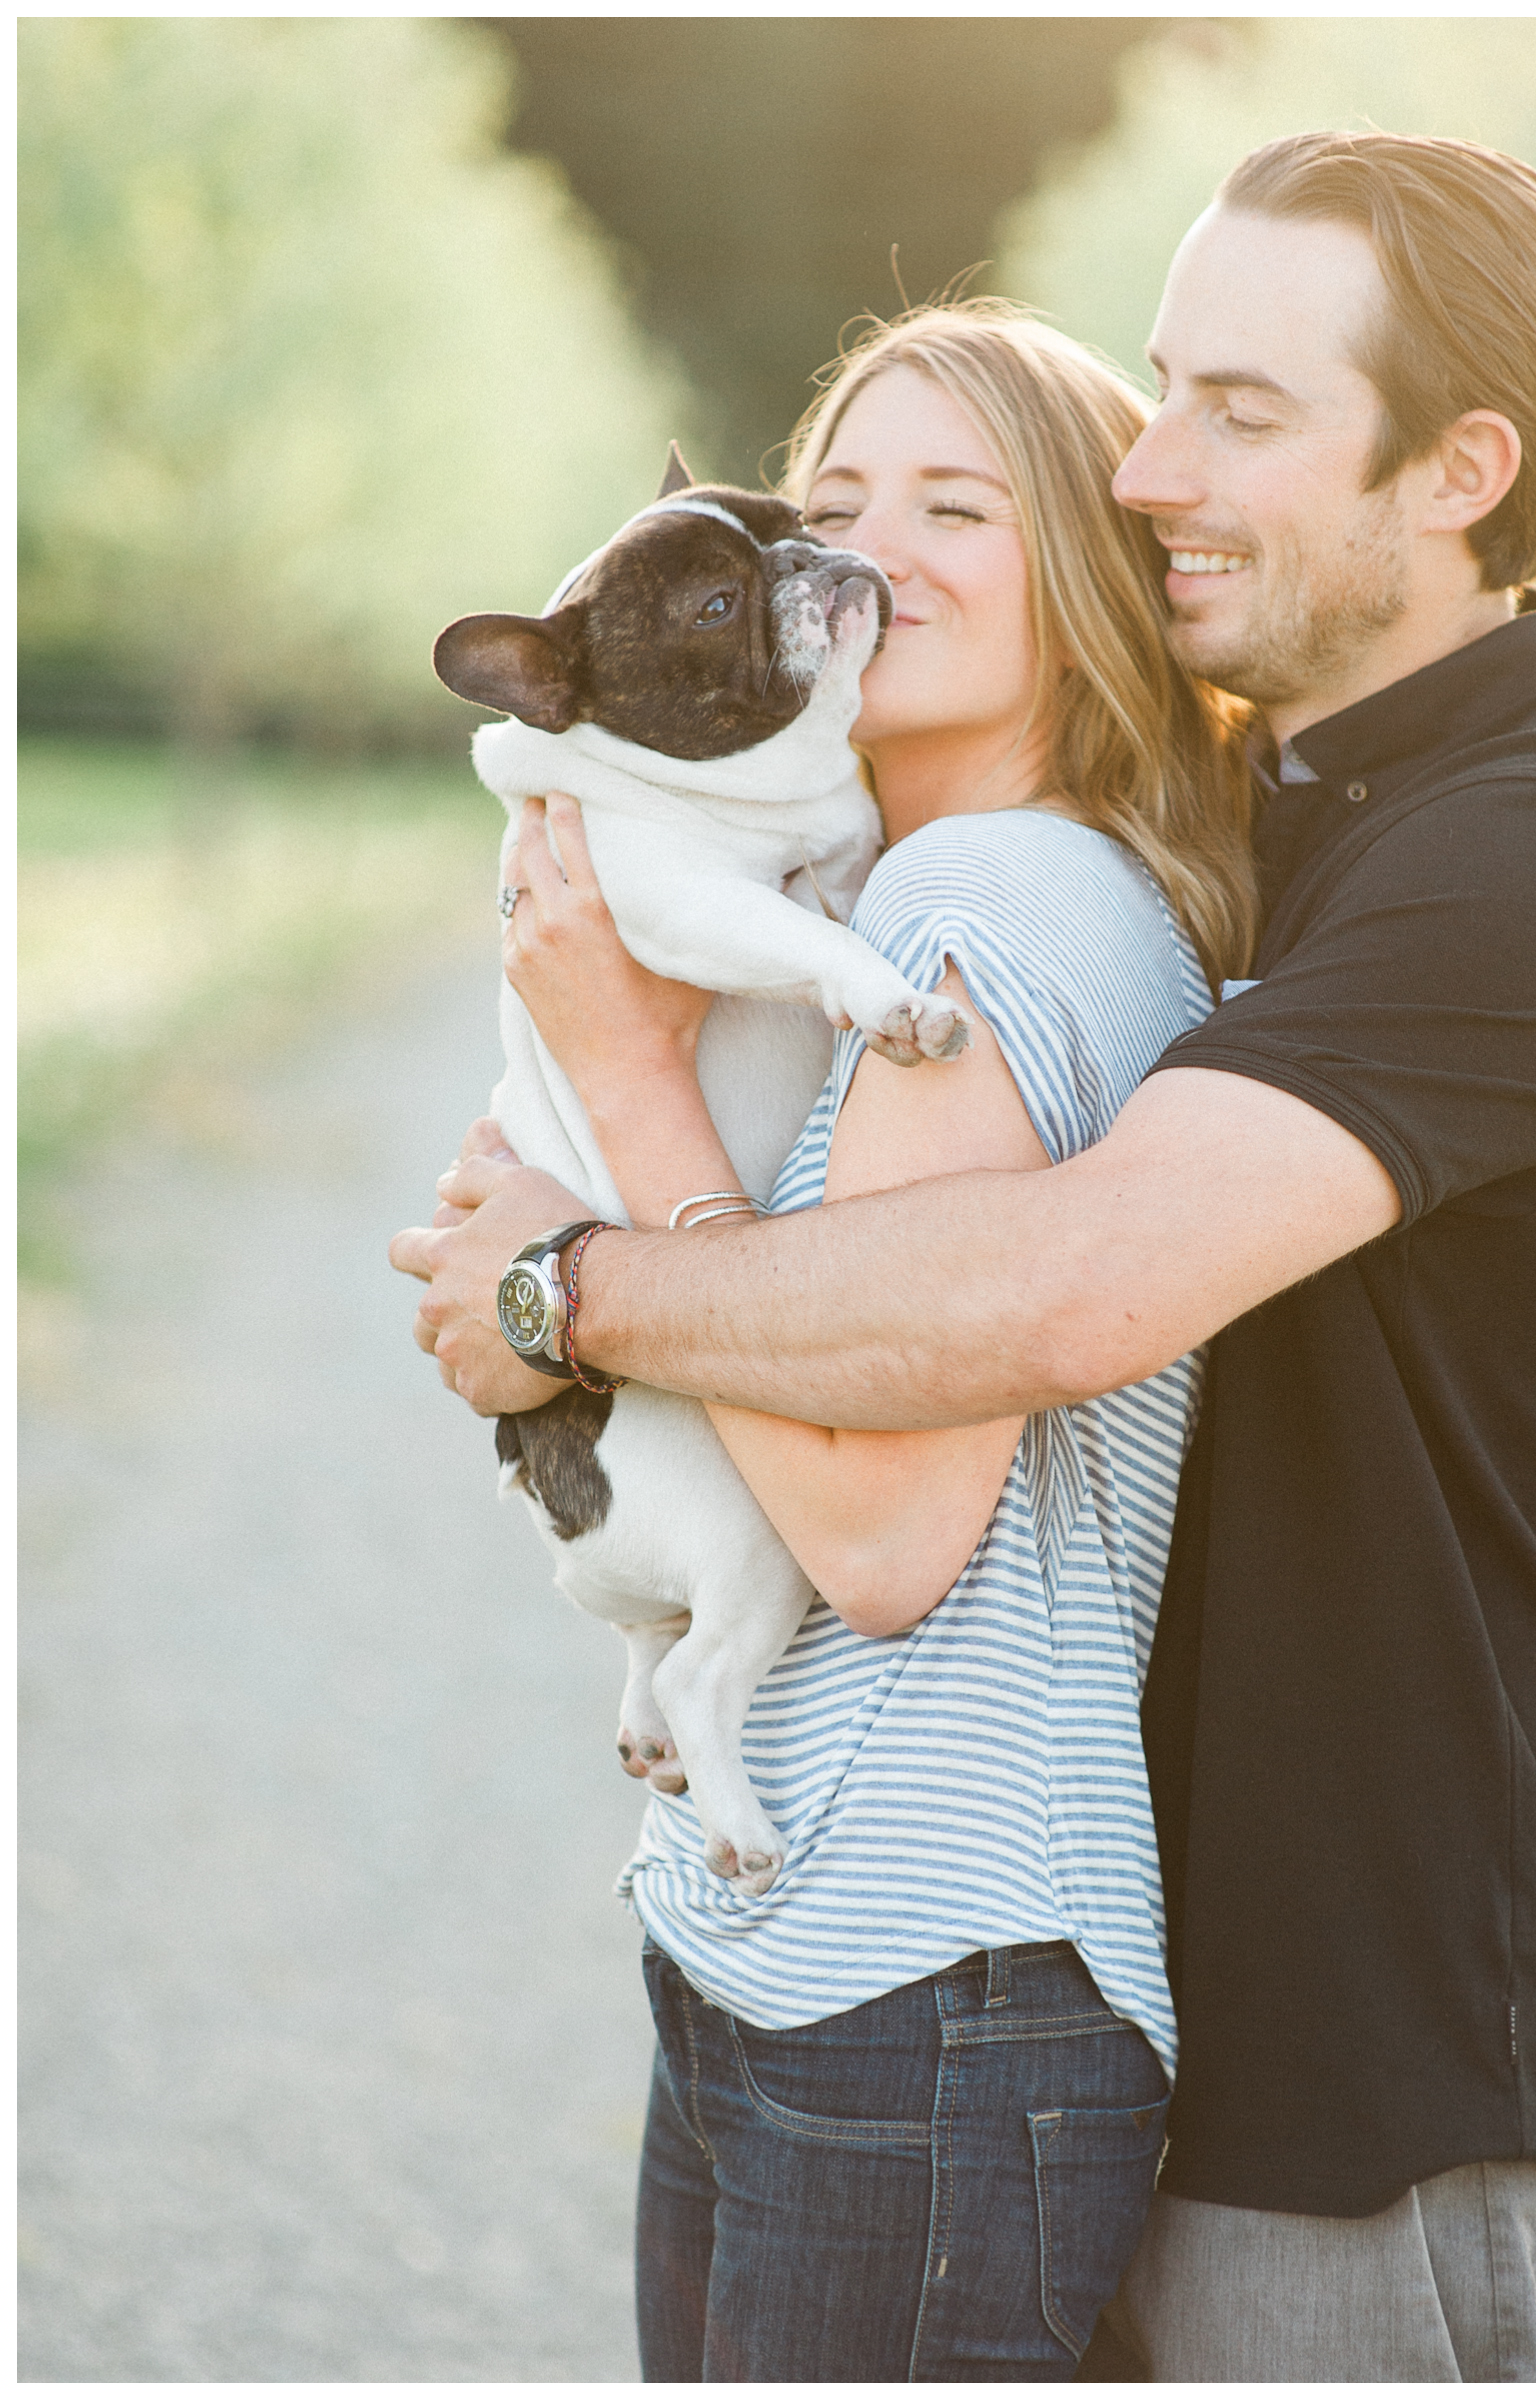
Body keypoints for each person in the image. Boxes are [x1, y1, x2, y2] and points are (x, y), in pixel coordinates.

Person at [399, 132, 1536, 2382]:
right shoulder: (1285, 820)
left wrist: (574, 1269)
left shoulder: (1535, 857)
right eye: (1151, 391)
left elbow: (1023, 1318)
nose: (1148, 469)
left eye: (1239, 409)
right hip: (1149, 2004)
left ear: (1459, 471)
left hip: (1398, 2088)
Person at [486, 300, 1248, 2378]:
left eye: (955, 504)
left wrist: (607, 1140)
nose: (874, 547)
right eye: (832, 503)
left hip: (930, 1977)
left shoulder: (973, 919)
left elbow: (886, 1545)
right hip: (823, 1946)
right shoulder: (889, 895)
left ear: (1092, 583)